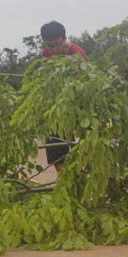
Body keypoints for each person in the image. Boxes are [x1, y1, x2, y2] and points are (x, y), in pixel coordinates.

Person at [40, 21, 86, 172]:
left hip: (79, 99)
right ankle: (64, 179)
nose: (54, 49)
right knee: (54, 139)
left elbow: (82, 82)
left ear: (65, 38)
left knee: (88, 137)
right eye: (49, 45)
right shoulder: (46, 55)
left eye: (57, 44)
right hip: (58, 103)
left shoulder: (76, 53)